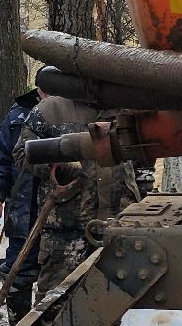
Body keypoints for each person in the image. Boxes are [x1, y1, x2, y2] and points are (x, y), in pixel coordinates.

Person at [14, 94, 139, 296]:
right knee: (55, 306)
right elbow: (22, 152)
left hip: (117, 226)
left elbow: (143, 158)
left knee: (110, 304)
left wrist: (139, 205)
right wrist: (54, 167)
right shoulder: (50, 110)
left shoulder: (127, 108)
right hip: (66, 233)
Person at [0, 86, 42, 322]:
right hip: (23, 208)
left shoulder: (74, 109)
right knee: (17, 271)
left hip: (62, 212)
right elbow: (1, 160)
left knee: (58, 276)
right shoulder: (19, 114)